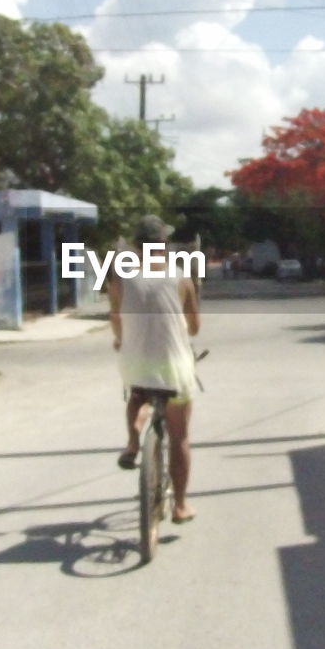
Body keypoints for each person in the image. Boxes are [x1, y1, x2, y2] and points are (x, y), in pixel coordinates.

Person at [107, 215, 202, 525]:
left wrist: (122, 342)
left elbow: (116, 320)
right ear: (164, 245)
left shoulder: (119, 279)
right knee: (180, 437)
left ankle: (134, 442)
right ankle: (181, 506)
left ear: (135, 248)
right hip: (174, 367)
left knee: (137, 395)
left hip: (136, 364)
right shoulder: (182, 279)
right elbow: (194, 328)